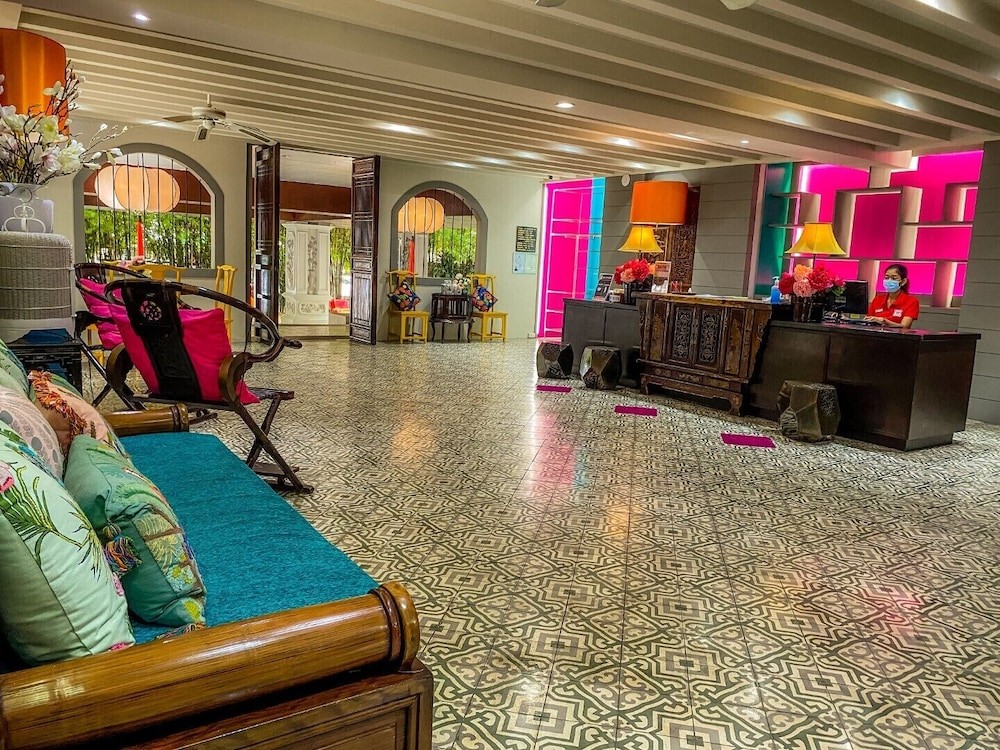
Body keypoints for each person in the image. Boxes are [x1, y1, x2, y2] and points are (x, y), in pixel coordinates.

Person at [865, 263, 919, 329]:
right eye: (887, 278)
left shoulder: (911, 301)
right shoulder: (877, 299)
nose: (889, 281)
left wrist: (884, 321)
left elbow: (905, 326)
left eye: (894, 278)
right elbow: (868, 319)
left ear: (903, 281)